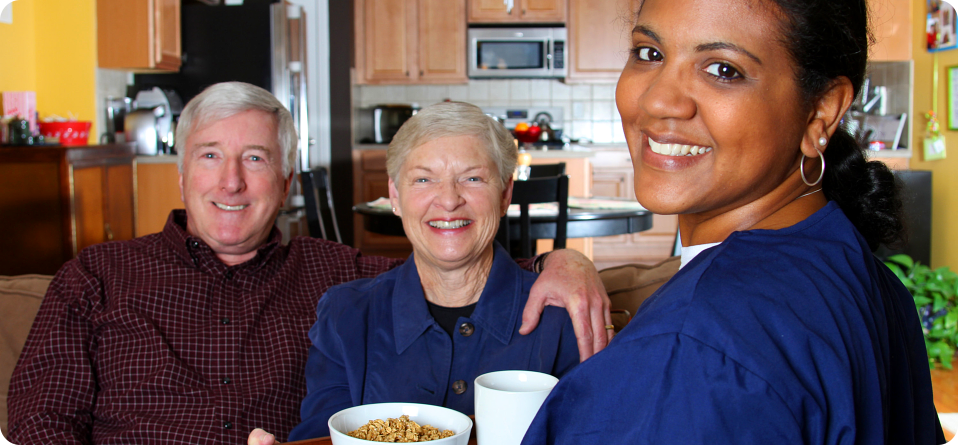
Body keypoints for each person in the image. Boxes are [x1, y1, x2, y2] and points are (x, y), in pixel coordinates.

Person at [6, 82, 611, 444]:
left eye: (256, 158)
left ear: (287, 178)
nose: (232, 181)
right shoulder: (97, 276)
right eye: (211, 155)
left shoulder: (336, 276)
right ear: (182, 172)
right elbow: (39, 422)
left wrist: (564, 263)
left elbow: (448, 256)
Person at [521, 0, 946, 444]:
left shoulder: (691, 353)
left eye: (723, 70)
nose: (657, 101)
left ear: (821, 110)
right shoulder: (859, 270)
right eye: (650, 53)